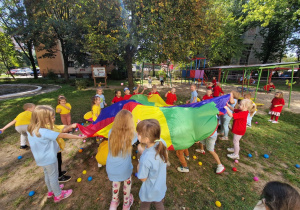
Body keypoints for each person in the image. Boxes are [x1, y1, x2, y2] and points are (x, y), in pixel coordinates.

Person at [27, 105, 85, 202]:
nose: (54, 119)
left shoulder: (31, 129)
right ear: (43, 119)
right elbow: (63, 135)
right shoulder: (44, 131)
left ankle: (51, 191)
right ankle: (58, 195)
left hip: (40, 158)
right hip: (49, 158)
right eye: (52, 117)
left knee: (47, 175)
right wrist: (79, 137)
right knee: (53, 176)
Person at [106, 110, 137, 210]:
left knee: (116, 182)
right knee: (127, 183)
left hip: (111, 167)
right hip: (124, 168)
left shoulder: (111, 132)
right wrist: (139, 124)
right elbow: (140, 136)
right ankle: (126, 204)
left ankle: (114, 203)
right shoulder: (131, 135)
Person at [136, 119, 168, 209]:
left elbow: (143, 178)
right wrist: (142, 126)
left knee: (145, 205)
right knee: (158, 203)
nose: (137, 134)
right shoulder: (162, 142)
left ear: (146, 139)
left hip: (149, 190)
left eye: (138, 133)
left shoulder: (145, 159)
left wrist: (139, 163)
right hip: (160, 186)